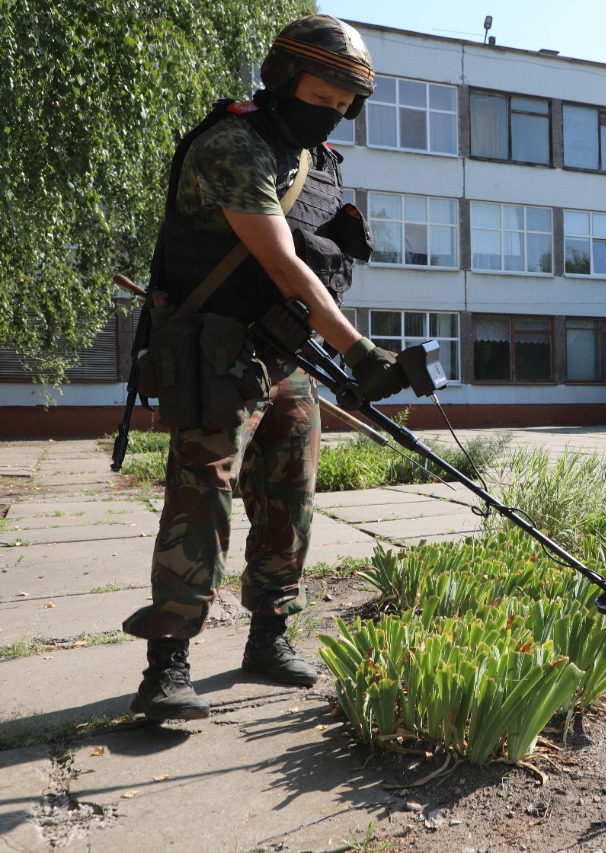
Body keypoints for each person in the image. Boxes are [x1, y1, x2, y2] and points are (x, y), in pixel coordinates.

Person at [122, 15, 410, 721]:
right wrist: (360, 352)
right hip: (215, 351)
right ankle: (168, 665)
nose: (333, 115)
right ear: (283, 79)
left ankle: (269, 638)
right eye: (324, 97)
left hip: (283, 353)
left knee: (292, 493)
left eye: (346, 107)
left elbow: (306, 258)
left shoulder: (307, 158)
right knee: (203, 494)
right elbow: (279, 261)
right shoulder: (234, 146)